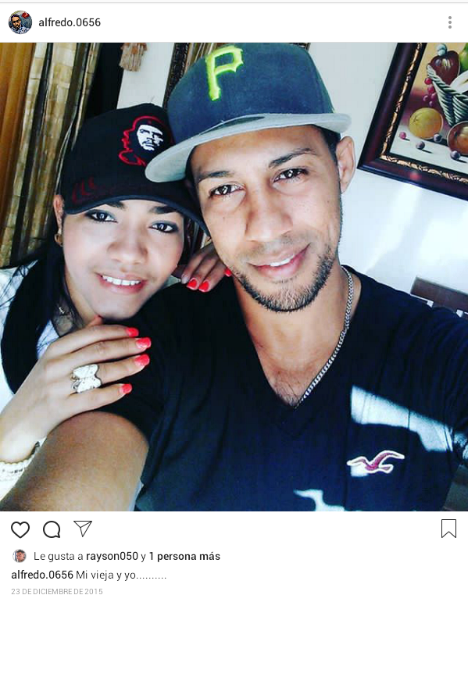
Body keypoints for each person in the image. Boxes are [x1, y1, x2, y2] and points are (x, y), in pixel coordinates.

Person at [2, 43, 467, 511]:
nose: (264, 225)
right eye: (225, 188)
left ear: (342, 165)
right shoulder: (153, 344)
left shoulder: (443, 352)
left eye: (290, 173)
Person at [0, 103, 224, 502]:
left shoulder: (197, 324)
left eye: (162, 225)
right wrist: (12, 434)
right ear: (60, 216)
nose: (130, 253)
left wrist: (247, 268)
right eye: (103, 216)